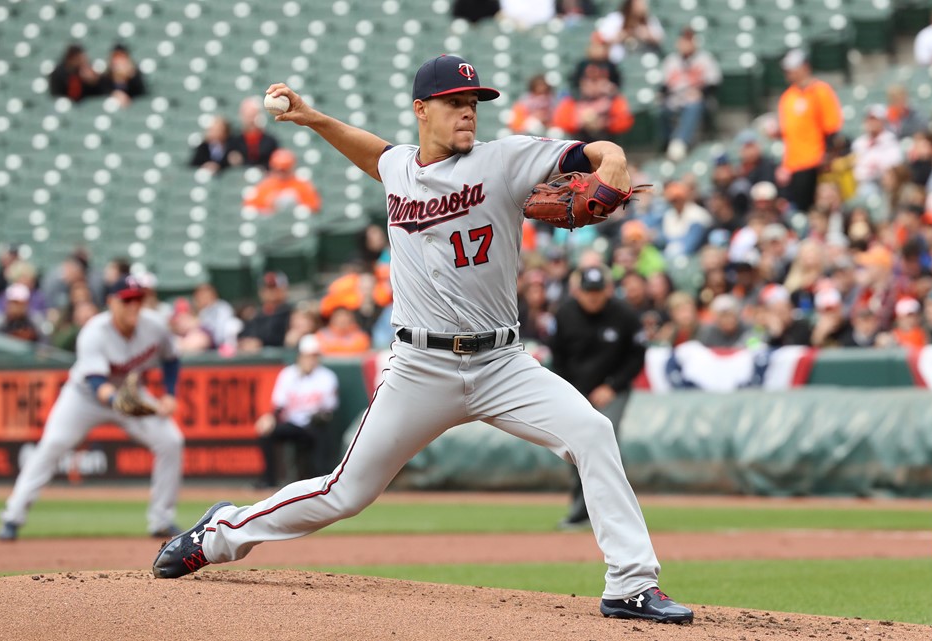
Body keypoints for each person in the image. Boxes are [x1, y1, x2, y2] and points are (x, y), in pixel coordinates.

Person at [152, 53, 694, 624]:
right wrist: (315, 120)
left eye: (473, 104)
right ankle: (219, 534)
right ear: (422, 111)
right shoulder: (399, 169)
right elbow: (375, 155)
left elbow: (588, 152)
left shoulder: (503, 159)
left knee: (592, 431)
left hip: (502, 364)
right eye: (455, 104)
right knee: (345, 493)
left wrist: (613, 159)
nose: (468, 114)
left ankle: (630, 584)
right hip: (419, 369)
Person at [0, 276, 185, 541]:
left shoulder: (154, 325)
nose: (134, 306)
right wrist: (118, 403)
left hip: (131, 393)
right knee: (52, 445)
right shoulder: (94, 331)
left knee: (171, 441)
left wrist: (169, 394)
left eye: (138, 299)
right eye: (126, 300)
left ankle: (161, 520)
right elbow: (98, 383)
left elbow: (171, 359)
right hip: (84, 397)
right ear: (111, 302)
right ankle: (12, 518)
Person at [549, 265, 645, 530]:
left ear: (608, 290)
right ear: (579, 291)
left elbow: (637, 357)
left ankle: (605, 513)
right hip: (575, 391)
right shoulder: (566, 313)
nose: (593, 297)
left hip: (612, 391)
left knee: (603, 441)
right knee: (573, 446)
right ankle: (584, 509)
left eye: (598, 291)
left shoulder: (624, 315)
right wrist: (568, 390)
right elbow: (557, 358)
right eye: (588, 291)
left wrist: (612, 385)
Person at [253, 334, 340, 489]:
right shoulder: (288, 374)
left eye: (314, 356)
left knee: (321, 432)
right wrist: (270, 418)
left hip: (314, 424)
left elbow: (329, 409)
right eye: (307, 356)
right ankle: (269, 480)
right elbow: (279, 405)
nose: (310, 360)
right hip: (293, 424)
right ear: (299, 356)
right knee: (266, 432)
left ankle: (323, 480)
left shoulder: (327, 376)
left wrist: (317, 417)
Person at [773, 49, 843, 214]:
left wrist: (827, 155)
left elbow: (832, 127)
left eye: (792, 69)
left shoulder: (821, 91)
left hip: (816, 163)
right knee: (799, 210)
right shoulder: (787, 97)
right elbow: (789, 132)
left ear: (805, 67)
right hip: (794, 165)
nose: (789, 73)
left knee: (819, 210)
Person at [657, 27, 721, 162]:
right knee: (662, 109)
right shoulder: (671, 60)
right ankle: (667, 142)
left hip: (698, 99)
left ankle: (680, 143)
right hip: (675, 99)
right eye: (683, 40)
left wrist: (700, 92)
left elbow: (714, 83)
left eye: (689, 40)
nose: (686, 44)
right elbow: (663, 87)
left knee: (693, 105)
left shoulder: (705, 59)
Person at [242, 148, 323, 215]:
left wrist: (296, 204)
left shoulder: (303, 185)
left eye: (285, 170)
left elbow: (315, 208)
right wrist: (269, 205)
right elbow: (250, 207)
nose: (281, 173)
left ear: (292, 168)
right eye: (279, 170)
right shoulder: (265, 185)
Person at [850, 104, 905, 200]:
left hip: (883, 184)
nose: (872, 123)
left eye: (875, 120)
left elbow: (894, 166)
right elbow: (856, 167)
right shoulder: (859, 142)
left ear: (883, 121)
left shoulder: (890, 140)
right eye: (870, 119)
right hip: (861, 183)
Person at [237, 271, 293, 352]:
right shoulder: (254, 314)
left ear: (284, 289)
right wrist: (245, 342)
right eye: (266, 288)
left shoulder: (291, 313)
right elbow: (243, 335)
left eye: (274, 288)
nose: (270, 292)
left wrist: (260, 342)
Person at [595, 0, 665, 64]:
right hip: (618, 58)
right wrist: (622, 35)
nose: (642, 6)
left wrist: (647, 35)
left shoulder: (649, 20)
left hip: (644, 57)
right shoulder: (617, 18)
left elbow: (660, 38)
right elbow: (601, 37)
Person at [229, 96, 282, 170]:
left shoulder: (270, 141)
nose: (251, 120)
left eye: (253, 115)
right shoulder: (233, 140)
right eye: (247, 116)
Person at [97, 43, 147, 108]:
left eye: (121, 58)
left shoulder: (136, 80)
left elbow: (141, 96)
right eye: (116, 58)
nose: (118, 62)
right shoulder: (103, 80)